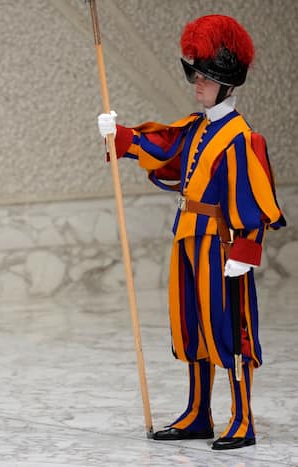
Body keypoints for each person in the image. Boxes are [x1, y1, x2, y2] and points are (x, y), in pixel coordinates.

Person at [97, 15, 285, 450]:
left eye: (206, 77)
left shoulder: (242, 138)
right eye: (196, 74)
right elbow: (163, 149)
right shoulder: (197, 127)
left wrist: (246, 252)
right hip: (187, 239)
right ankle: (199, 412)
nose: (197, 83)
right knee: (193, 327)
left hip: (222, 246)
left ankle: (242, 418)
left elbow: (256, 203)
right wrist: (120, 135)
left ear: (226, 83)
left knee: (231, 329)